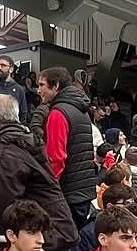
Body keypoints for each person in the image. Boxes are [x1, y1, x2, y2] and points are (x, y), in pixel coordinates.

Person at [0, 94, 78, 251]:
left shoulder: (4, 152)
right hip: (56, 229)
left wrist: (3, 246)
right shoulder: (25, 139)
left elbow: (4, 204)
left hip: (42, 238)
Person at [37, 68, 95, 229]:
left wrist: (47, 190)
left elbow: (56, 159)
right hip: (83, 190)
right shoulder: (81, 109)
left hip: (67, 193)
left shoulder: (58, 113)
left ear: (55, 85)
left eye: (42, 85)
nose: (38, 90)